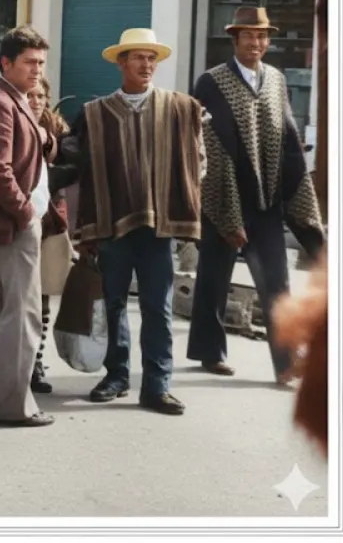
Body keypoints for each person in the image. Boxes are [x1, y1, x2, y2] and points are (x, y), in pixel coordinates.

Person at [64, 28, 205, 415]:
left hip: (159, 227)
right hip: (112, 224)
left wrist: (180, 198)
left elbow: (199, 161)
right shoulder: (96, 114)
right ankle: (117, 375)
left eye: (151, 58)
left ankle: (158, 385)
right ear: (121, 63)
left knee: (158, 307)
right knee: (113, 303)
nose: (147, 65)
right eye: (139, 57)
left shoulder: (179, 108)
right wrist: (82, 227)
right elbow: (79, 167)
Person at [187, 7, 325, 384]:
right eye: (248, 35)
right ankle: (209, 352)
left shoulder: (276, 80)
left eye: (262, 36)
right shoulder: (211, 82)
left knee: (277, 283)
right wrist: (228, 214)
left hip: (266, 203)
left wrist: (297, 194)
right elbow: (210, 147)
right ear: (234, 39)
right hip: (223, 196)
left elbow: (287, 137)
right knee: (213, 279)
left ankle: (286, 363)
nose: (256, 42)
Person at [0, 27, 57, 428]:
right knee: (22, 314)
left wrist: (44, 136)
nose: (37, 70)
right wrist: (24, 212)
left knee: (1, 309)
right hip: (13, 222)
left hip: (9, 220)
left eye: (41, 63)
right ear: (6, 63)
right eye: (30, 63)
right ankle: (14, 405)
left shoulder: (10, 98)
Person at [29, 74, 70, 393]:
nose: (35, 101)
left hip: (51, 218)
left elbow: (73, 167)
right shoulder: (9, 120)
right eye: (30, 95)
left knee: (43, 295)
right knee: (18, 297)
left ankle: (36, 364)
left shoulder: (58, 130)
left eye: (40, 96)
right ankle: (17, 361)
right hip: (18, 218)